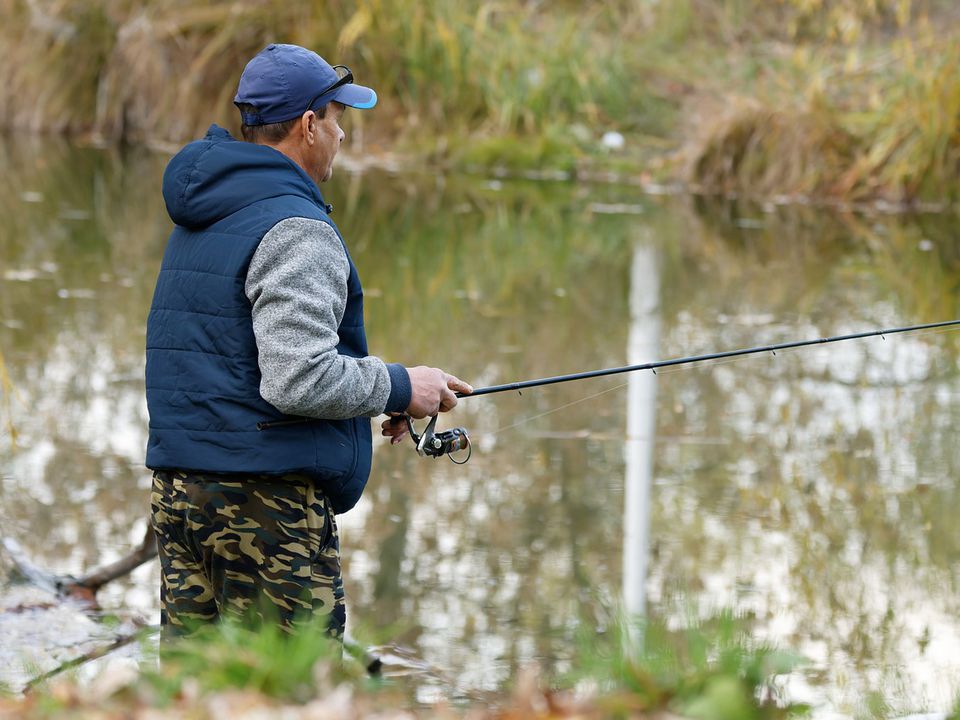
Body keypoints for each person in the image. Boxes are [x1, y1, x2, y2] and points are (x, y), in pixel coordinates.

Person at [145, 43, 471, 639]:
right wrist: (403, 383)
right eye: (338, 118)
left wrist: (384, 397)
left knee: (196, 692)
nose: (344, 136)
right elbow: (296, 377)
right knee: (293, 691)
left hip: (181, 493)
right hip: (263, 505)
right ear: (309, 125)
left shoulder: (206, 211)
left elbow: (234, 364)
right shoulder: (296, 228)